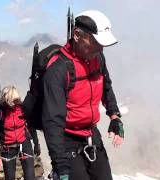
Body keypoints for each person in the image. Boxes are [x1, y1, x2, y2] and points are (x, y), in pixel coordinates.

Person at [42, 10, 124, 180]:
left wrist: (114, 116)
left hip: (92, 135)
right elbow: (52, 120)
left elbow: (106, 86)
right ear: (77, 35)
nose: (101, 48)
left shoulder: (97, 58)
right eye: (95, 42)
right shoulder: (58, 70)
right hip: (67, 140)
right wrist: (60, 163)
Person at [0, 85, 35, 180]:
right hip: (8, 148)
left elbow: (30, 125)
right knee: (10, 177)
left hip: (24, 144)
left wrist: (36, 143)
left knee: (30, 177)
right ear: (6, 100)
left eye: (16, 100)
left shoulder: (22, 108)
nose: (14, 104)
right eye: (12, 101)